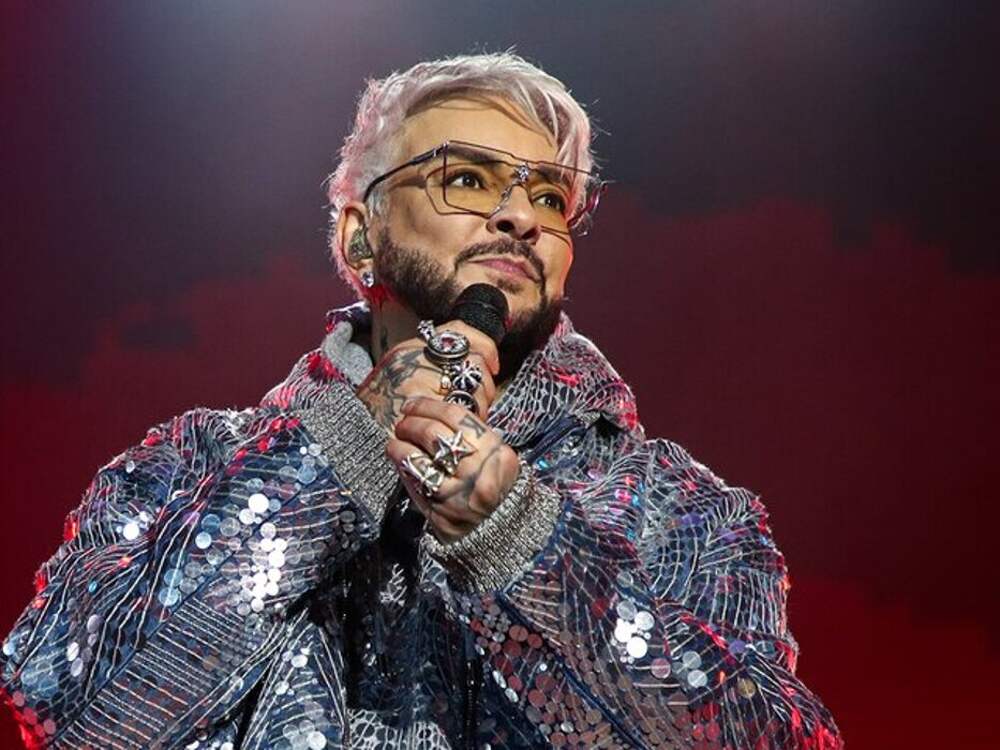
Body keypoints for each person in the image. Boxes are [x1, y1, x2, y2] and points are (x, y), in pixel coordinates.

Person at [0, 52, 842, 749]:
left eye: (550, 197)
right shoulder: (184, 467)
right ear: (361, 234)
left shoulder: (684, 510)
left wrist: (524, 540)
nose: (520, 217)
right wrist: (346, 448)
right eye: (468, 179)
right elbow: (69, 713)